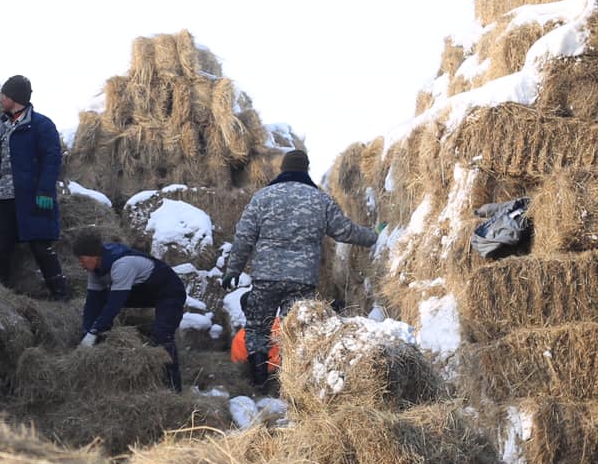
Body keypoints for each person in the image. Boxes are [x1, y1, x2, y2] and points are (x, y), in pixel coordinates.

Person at [221, 147, 377, 389]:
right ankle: (288, 385)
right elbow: (344, 231)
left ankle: (260, 382)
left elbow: (244, 236)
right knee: (293, 331)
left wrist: (233, 269)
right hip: (302, 278)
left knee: (257, 327)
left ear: (283, 169)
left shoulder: (264, 197)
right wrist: (373, 236)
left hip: (266, 276)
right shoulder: (320, 199)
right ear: (305, 170)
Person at [0, 75, 68, 299]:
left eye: (4, 94)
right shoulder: (1, 126)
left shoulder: (41, 125)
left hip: (29, 196)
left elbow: (52, 159)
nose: (1, 98)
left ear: (14, 97)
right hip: (0, 197)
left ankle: (61, 296)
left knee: (41, 247)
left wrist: (45, 191)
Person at [73, 229, 187, 392]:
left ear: (94, 255)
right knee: (102, 300)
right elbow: (93, 302)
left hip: (169, 291)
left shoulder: (122, 264)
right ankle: (105, 342)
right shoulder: (95, 270)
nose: (80, 264)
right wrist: (87, 332)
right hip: (144, 290)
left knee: (162, 334)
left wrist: (94, 332)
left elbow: (115, 304)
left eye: (81, 259)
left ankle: (173, 388)